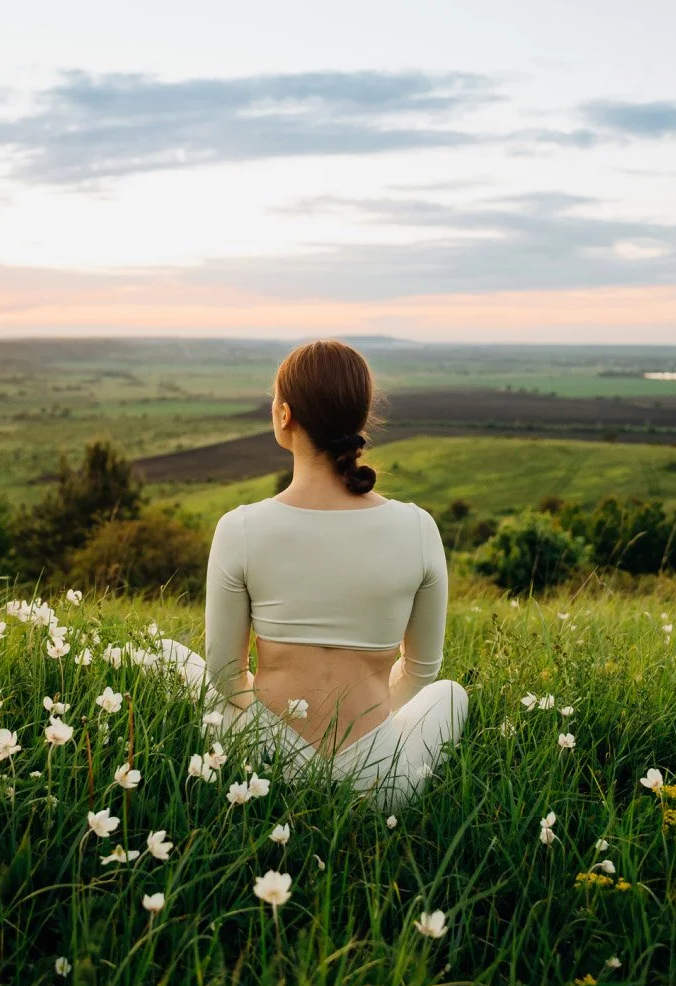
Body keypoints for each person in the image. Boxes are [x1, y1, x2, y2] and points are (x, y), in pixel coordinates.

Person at [156, 339, 467, 811]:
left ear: (285, 414)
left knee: (168, 657)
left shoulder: (240, 527)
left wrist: (288, 746)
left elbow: (225, 677)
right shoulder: (418, 528)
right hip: (381, 784)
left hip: (263, 768)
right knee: (449, 694)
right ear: (359, 421)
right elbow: (423, 671)